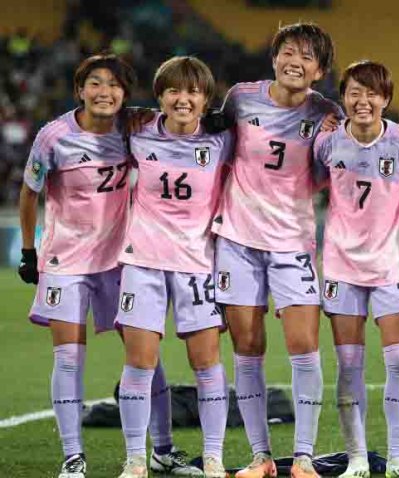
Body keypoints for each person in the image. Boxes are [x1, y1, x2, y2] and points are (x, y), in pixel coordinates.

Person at [18, 53, 202, 478]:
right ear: (79, 89)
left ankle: (163, 450)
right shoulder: (54, 137)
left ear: (125, 93)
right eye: (95, 83)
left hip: (122, 260)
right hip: (65, 262)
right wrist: (30, 251)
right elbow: (30, 192)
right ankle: (72, 457)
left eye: (115, 85)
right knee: (68, 358)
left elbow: (183, 112)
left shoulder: (133, 126)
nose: (105, 92)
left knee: (146, 358)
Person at [211, 22, 342, 478]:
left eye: (307, 56)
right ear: (274, 57)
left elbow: (334, 170)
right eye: (289, 51)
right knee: (247, 348)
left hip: (292, 243)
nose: (295, 61)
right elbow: (213, 150)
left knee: (304, 346)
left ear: (320, 70)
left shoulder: (327, 112)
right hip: (237, 241)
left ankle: (304, 457)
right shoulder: (240, 98)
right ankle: (260, 457)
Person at [114, 56, 234, 478]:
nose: (183, 99)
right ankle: (135, 459)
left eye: (193, 91)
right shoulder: (137, 132)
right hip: (142, 263)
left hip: (197, 266)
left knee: (207, 364)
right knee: (139, 364)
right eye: (173, 91)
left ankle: (214, 456)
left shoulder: (223, 140)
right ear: (160, 96)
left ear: (206, 99)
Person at [313, 60, 399, 478]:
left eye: (372, 93)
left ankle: (397, 457)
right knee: (349, 366)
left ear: (386, 99)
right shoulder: (327, 144)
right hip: (342, 266)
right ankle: (357, 457)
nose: (363, 101)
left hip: (392, 265)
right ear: (343, 98)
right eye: (355, 92)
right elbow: (312, 184)